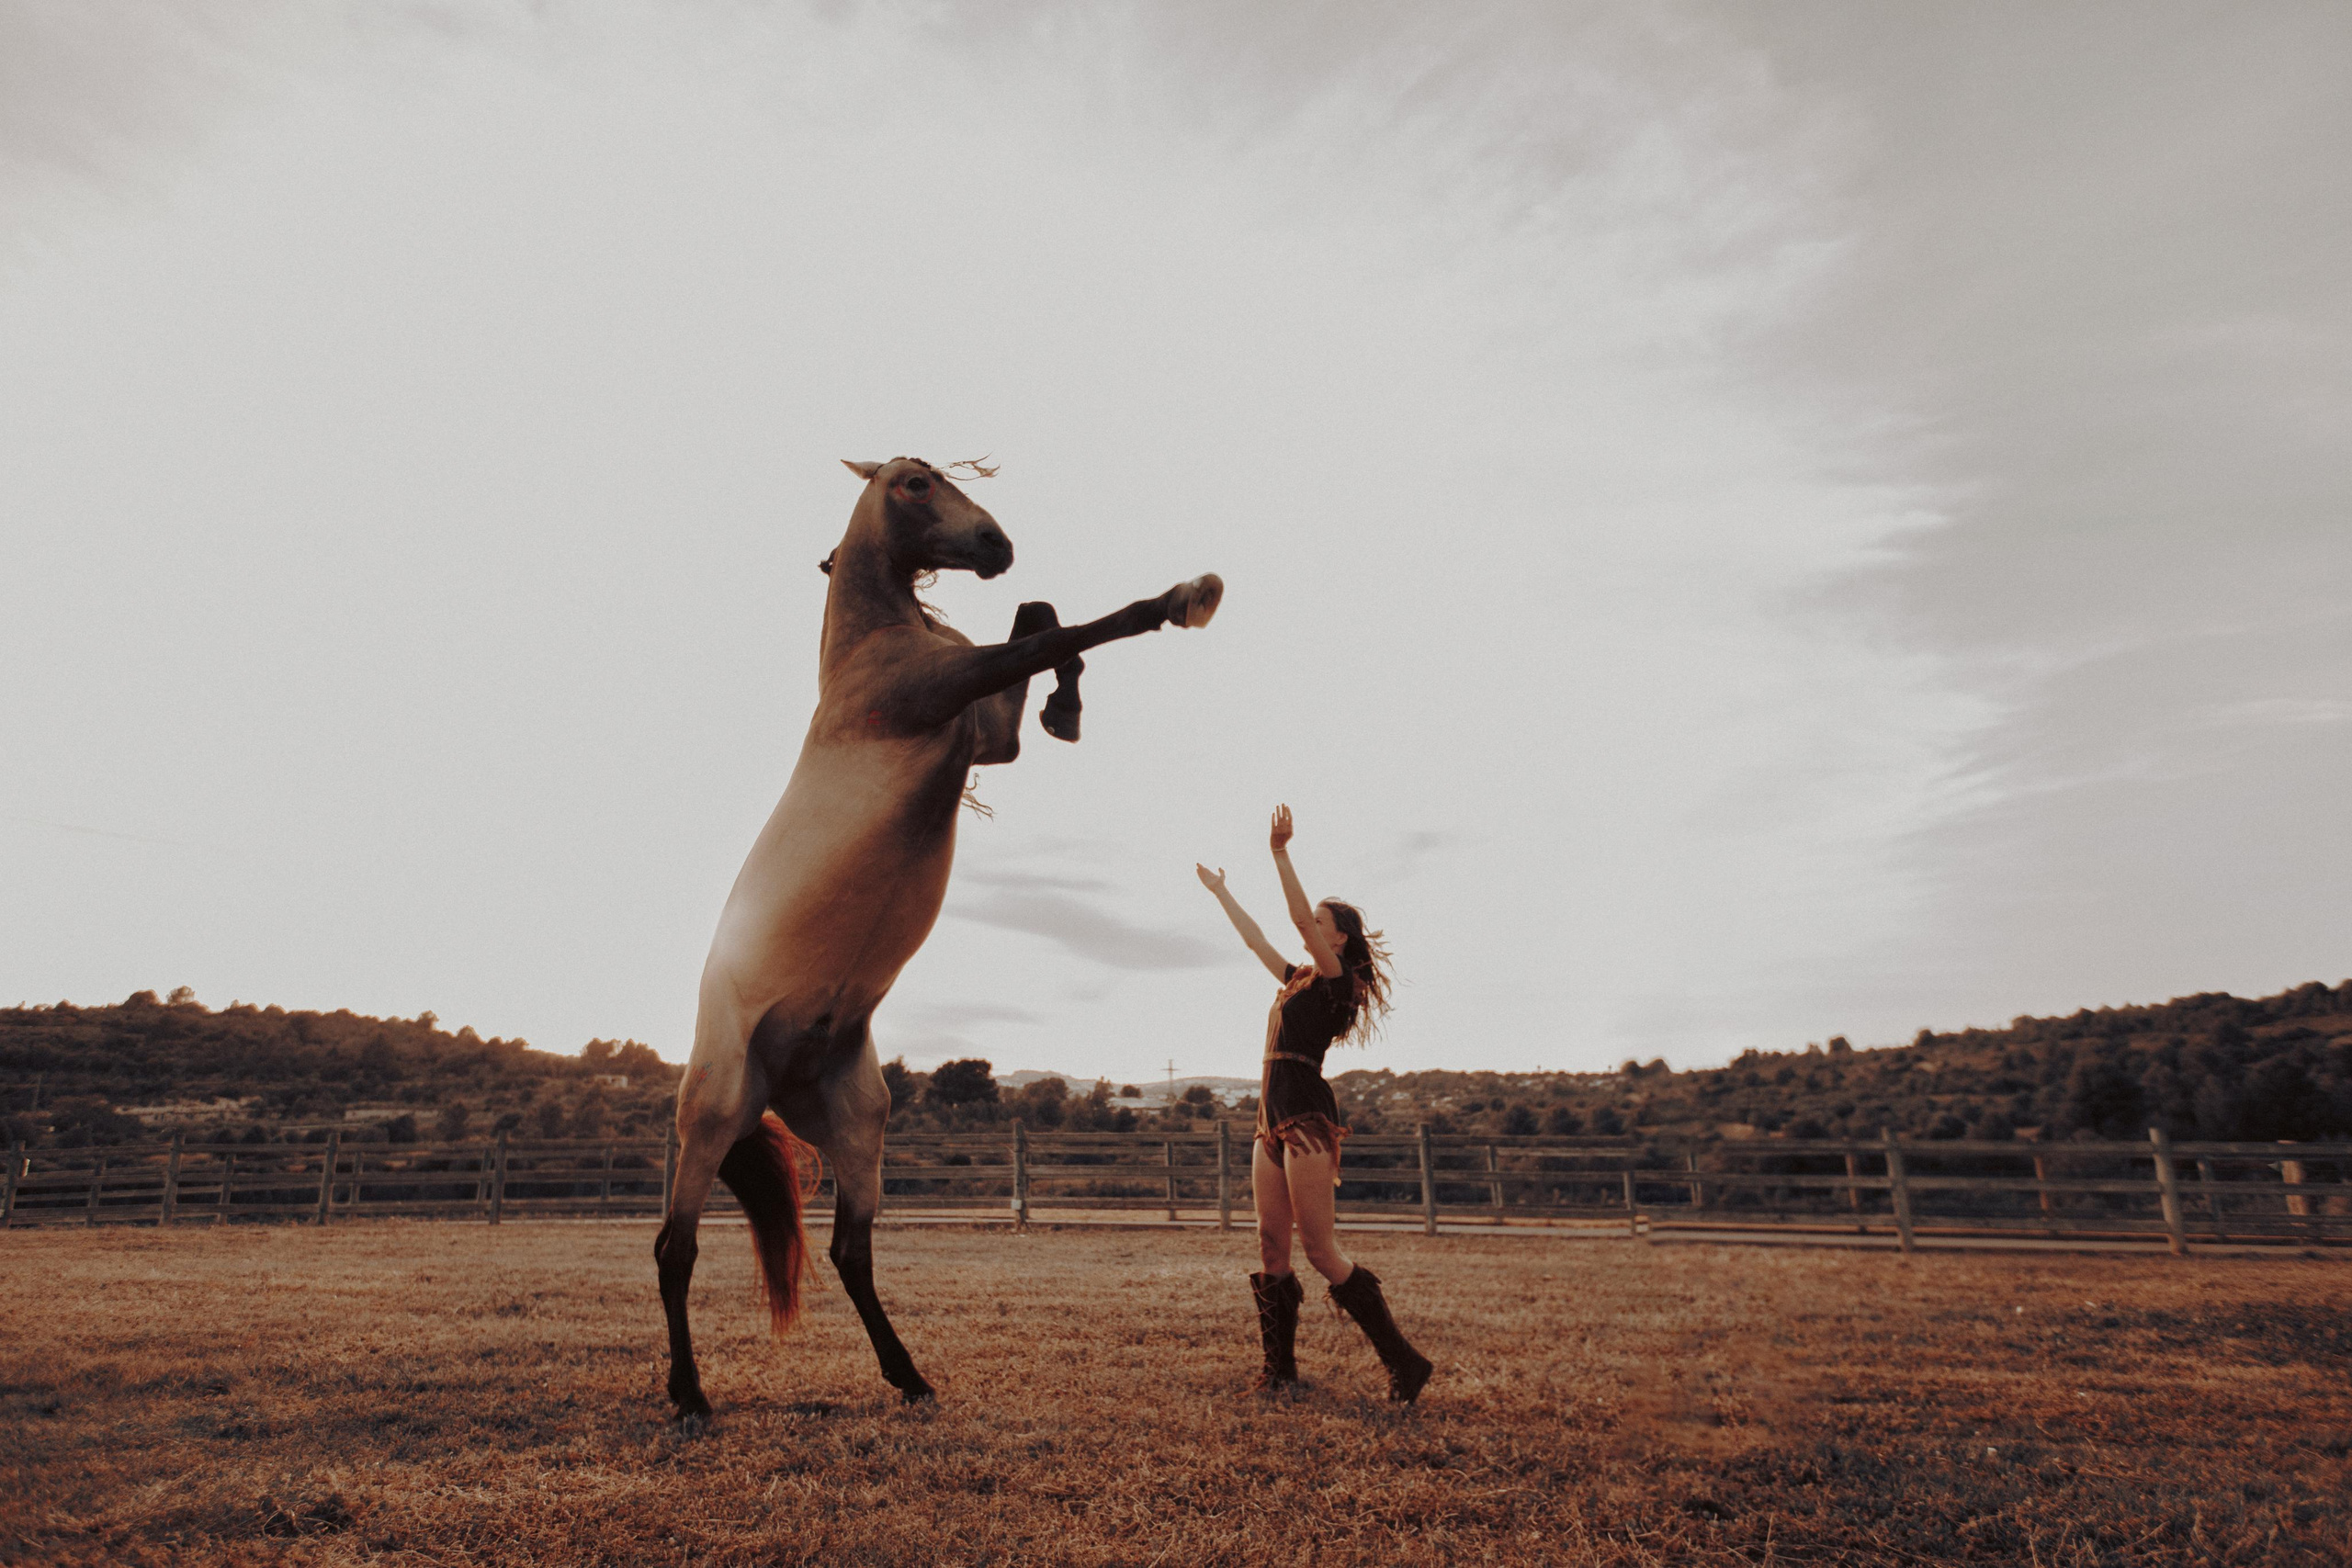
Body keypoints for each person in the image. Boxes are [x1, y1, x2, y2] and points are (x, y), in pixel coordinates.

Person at [1195, 804, 1432, 1402]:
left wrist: (1279, 853)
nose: (1313, 927)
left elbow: (1298, 922)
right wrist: (1222, 892)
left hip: (1305, 1113)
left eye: (1322, 922)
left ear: (1339, 936)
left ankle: (1405, 1361)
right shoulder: (1297, 978)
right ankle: (1279, 1372)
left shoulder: (1333, 982)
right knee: (1271, 1243)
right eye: (1315, 923)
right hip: (1268, 1117)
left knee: (1320, 1250)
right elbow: (1257, 941)